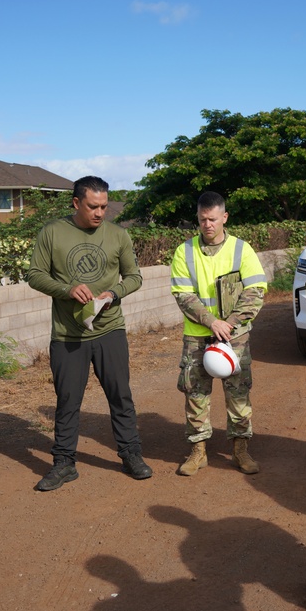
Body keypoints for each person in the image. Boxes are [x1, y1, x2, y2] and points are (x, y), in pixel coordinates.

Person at [26, 176, 151, 491]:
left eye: (104, 207)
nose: (100, 213)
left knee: (120, 395)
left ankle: (131, 454)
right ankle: (64, 464)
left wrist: (114, 294)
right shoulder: (52, 232)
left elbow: (134, 276)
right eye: (93, 206)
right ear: (76, 203)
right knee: (68, 400)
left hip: (110, 330)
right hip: (68, 336)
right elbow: (35, 275)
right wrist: (67, 290)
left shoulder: (118, 235)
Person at [170, 192, 268, 476]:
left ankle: (240, 450)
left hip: (234, 336)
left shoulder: (242, 249)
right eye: (202, 219)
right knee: (195, 394)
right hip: (197, 336)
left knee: (238, 393)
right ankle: (198, 451)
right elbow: (183, 295)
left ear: (224, 217)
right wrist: (212, 322)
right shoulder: (184, 252)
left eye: (213, 219)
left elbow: (256, 291)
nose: (207, 225)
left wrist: (231, 323)